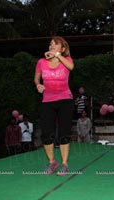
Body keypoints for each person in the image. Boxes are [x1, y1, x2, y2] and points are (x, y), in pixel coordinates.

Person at [34, 36, 74, 176]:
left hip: (65, 100)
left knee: (64, 132)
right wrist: (38, 84)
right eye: (51, 44)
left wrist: (57, 55)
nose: (51, 46)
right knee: (47, 134)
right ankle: (52, 162)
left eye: (55, 44)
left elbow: (71, 67)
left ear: (62, 49)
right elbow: (36, 77)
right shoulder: (41, 62)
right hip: (48, 101)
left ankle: (64, 164)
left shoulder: (66, 60)